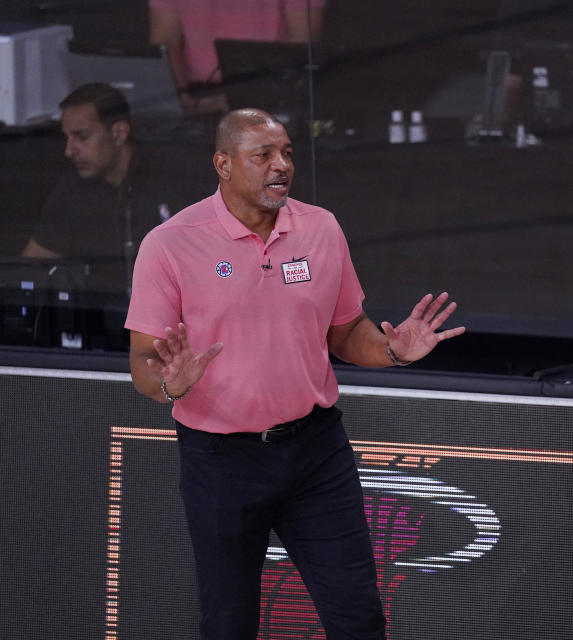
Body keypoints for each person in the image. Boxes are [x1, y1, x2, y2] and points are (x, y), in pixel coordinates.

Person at [124, 107, 464, 639]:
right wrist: (171, 384)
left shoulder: (321, 228)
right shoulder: (170, 244)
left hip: (314, 455)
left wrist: (394, 351)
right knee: (228, 623)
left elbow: (347, 333)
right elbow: (145, 365)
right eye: (263, 155)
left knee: (358, 618)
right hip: (222, 461)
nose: (280, 165)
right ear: (223, 164)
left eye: (287, 153)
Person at [21, 83, 195, 298]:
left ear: (118, 133)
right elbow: (31, 265)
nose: (69, 151)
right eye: (66, 138)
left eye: (81, 137)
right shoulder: (72, 188)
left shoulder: (172, 178)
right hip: (98, 318)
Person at [149, 0, 325, 113]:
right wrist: (181, 97)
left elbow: (301, 43)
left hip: (270, 93)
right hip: (197, 96)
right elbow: (165, 41)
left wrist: (249, 96)